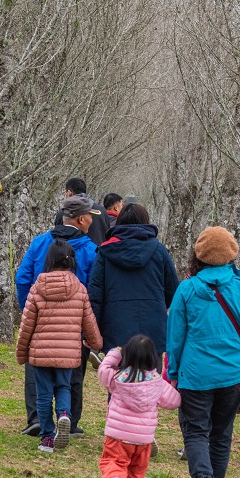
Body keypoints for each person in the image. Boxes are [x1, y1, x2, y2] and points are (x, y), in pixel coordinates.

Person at [166, 226, 240, 478]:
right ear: (231, 254)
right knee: (222, 433)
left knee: (196, 431)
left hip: (195, 374)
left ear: (198, 255)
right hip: (234, 373)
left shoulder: (187, 289)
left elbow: (175, 335)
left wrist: (172, 372)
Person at [15, 195, 99, 437]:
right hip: (73, 325)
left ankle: (36, 419)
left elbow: (22, 278)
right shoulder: (91, 250)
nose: (91, 223)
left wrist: (28, 310)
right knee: (71, 372)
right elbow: (94, 289)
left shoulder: (39, 243)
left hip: (39, 319)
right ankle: (69, 420)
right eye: (90, 218)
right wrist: (87, 322)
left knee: (36, 371)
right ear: (82, 219)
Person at [88, 203, 179, 370]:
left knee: (118, 389)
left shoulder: (106, 252)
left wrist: (93, 333)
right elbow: (173, 290)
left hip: (116, 331)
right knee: (151, 388)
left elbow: (95, 295)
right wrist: (157, 305)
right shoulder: (158, 250)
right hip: (153, 332)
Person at [97, 334, 181, 478]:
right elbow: (174, 401)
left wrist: (115, 353)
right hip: (144, 439)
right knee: (137, 469)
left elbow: (103, 368)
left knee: (112, 461)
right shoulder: (157, 383)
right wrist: (173, 385)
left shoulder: (117, 378)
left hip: (117, 436)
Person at [54, 176, 110, 247]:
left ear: (69, 193)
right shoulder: (101, 210)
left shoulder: (64, 213)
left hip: (71, 255)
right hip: (98, 254)